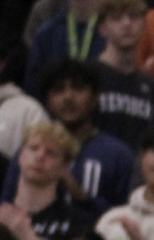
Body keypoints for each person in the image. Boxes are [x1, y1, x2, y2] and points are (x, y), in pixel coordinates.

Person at [35, 60, 137, 214]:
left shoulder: (118, 155)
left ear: (95, 98)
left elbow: (129, 215)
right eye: (58, 90)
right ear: (47, 102)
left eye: (78, 88)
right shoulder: (32, 152)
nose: (68, 97)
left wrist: (82, 197)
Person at [92, 0, 154, 152]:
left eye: (133, 17)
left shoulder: (152, 88)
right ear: (102, 28)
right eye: (117, 18)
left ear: (144, 25)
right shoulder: (87, 77)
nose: (126, 24)